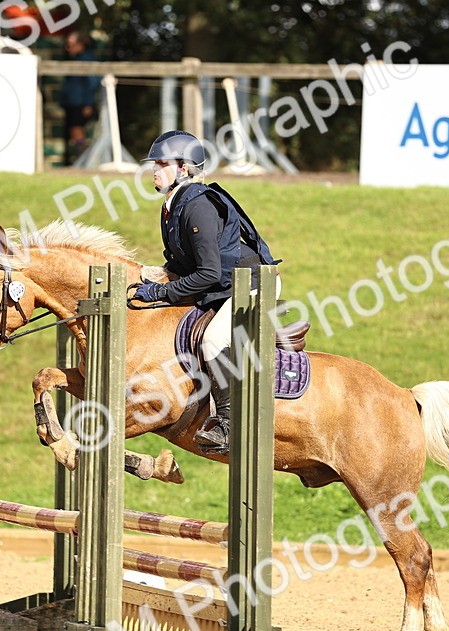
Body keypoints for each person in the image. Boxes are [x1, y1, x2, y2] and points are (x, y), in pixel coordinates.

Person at [132, 130, 281, 455]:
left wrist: (161, 293)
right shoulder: (172, 207)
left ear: (183, 168)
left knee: (212, 339)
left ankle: (229, 425)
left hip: (249, 283)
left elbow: (208, 272)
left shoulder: (197, 206)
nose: (154, 169)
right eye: (154, 163)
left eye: (162, 163)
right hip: (221, 283)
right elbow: (183, 265)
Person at [59, 31, 100, 165]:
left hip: (80, 103)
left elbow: (92, 83)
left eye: (71, 44)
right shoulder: (75, 58)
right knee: (74, 131)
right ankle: (83, 159)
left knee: (77, 131)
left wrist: (88, 103)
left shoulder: (87, 60)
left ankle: (85, 160)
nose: (68, 48)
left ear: (81, 44)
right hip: (73, 102)